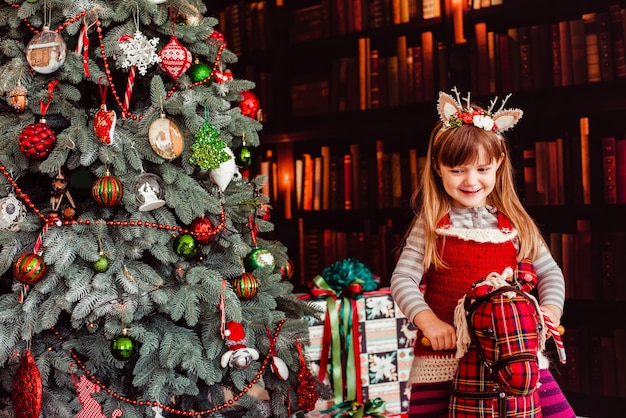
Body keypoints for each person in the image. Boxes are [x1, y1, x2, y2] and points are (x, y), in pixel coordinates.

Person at [390, 88, 575, 417]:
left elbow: (550, 273)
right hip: (444, 358)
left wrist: (548, 313)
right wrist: (429, 322)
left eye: (482, 169)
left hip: (512, 355)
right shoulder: (432, 224)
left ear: (499, 164)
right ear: (437, 167)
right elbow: (403, 278)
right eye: (457, 170)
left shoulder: (514, 224)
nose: (471, 181)